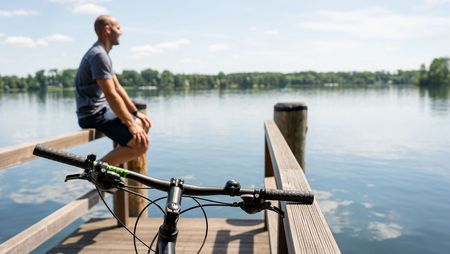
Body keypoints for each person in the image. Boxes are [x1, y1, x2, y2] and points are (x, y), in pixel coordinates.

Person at [75, 15, 151, 166]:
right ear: (107, 30)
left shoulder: (103, 54)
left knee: (142, 124)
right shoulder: (99, 55)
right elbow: (110, 94)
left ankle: (108, 174)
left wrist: (135, 113)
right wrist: (130, 124)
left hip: (102, 111)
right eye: (118, 28)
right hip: (92, 115)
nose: (121, 32)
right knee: (140, 144)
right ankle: (94, 171)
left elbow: (118, 88)